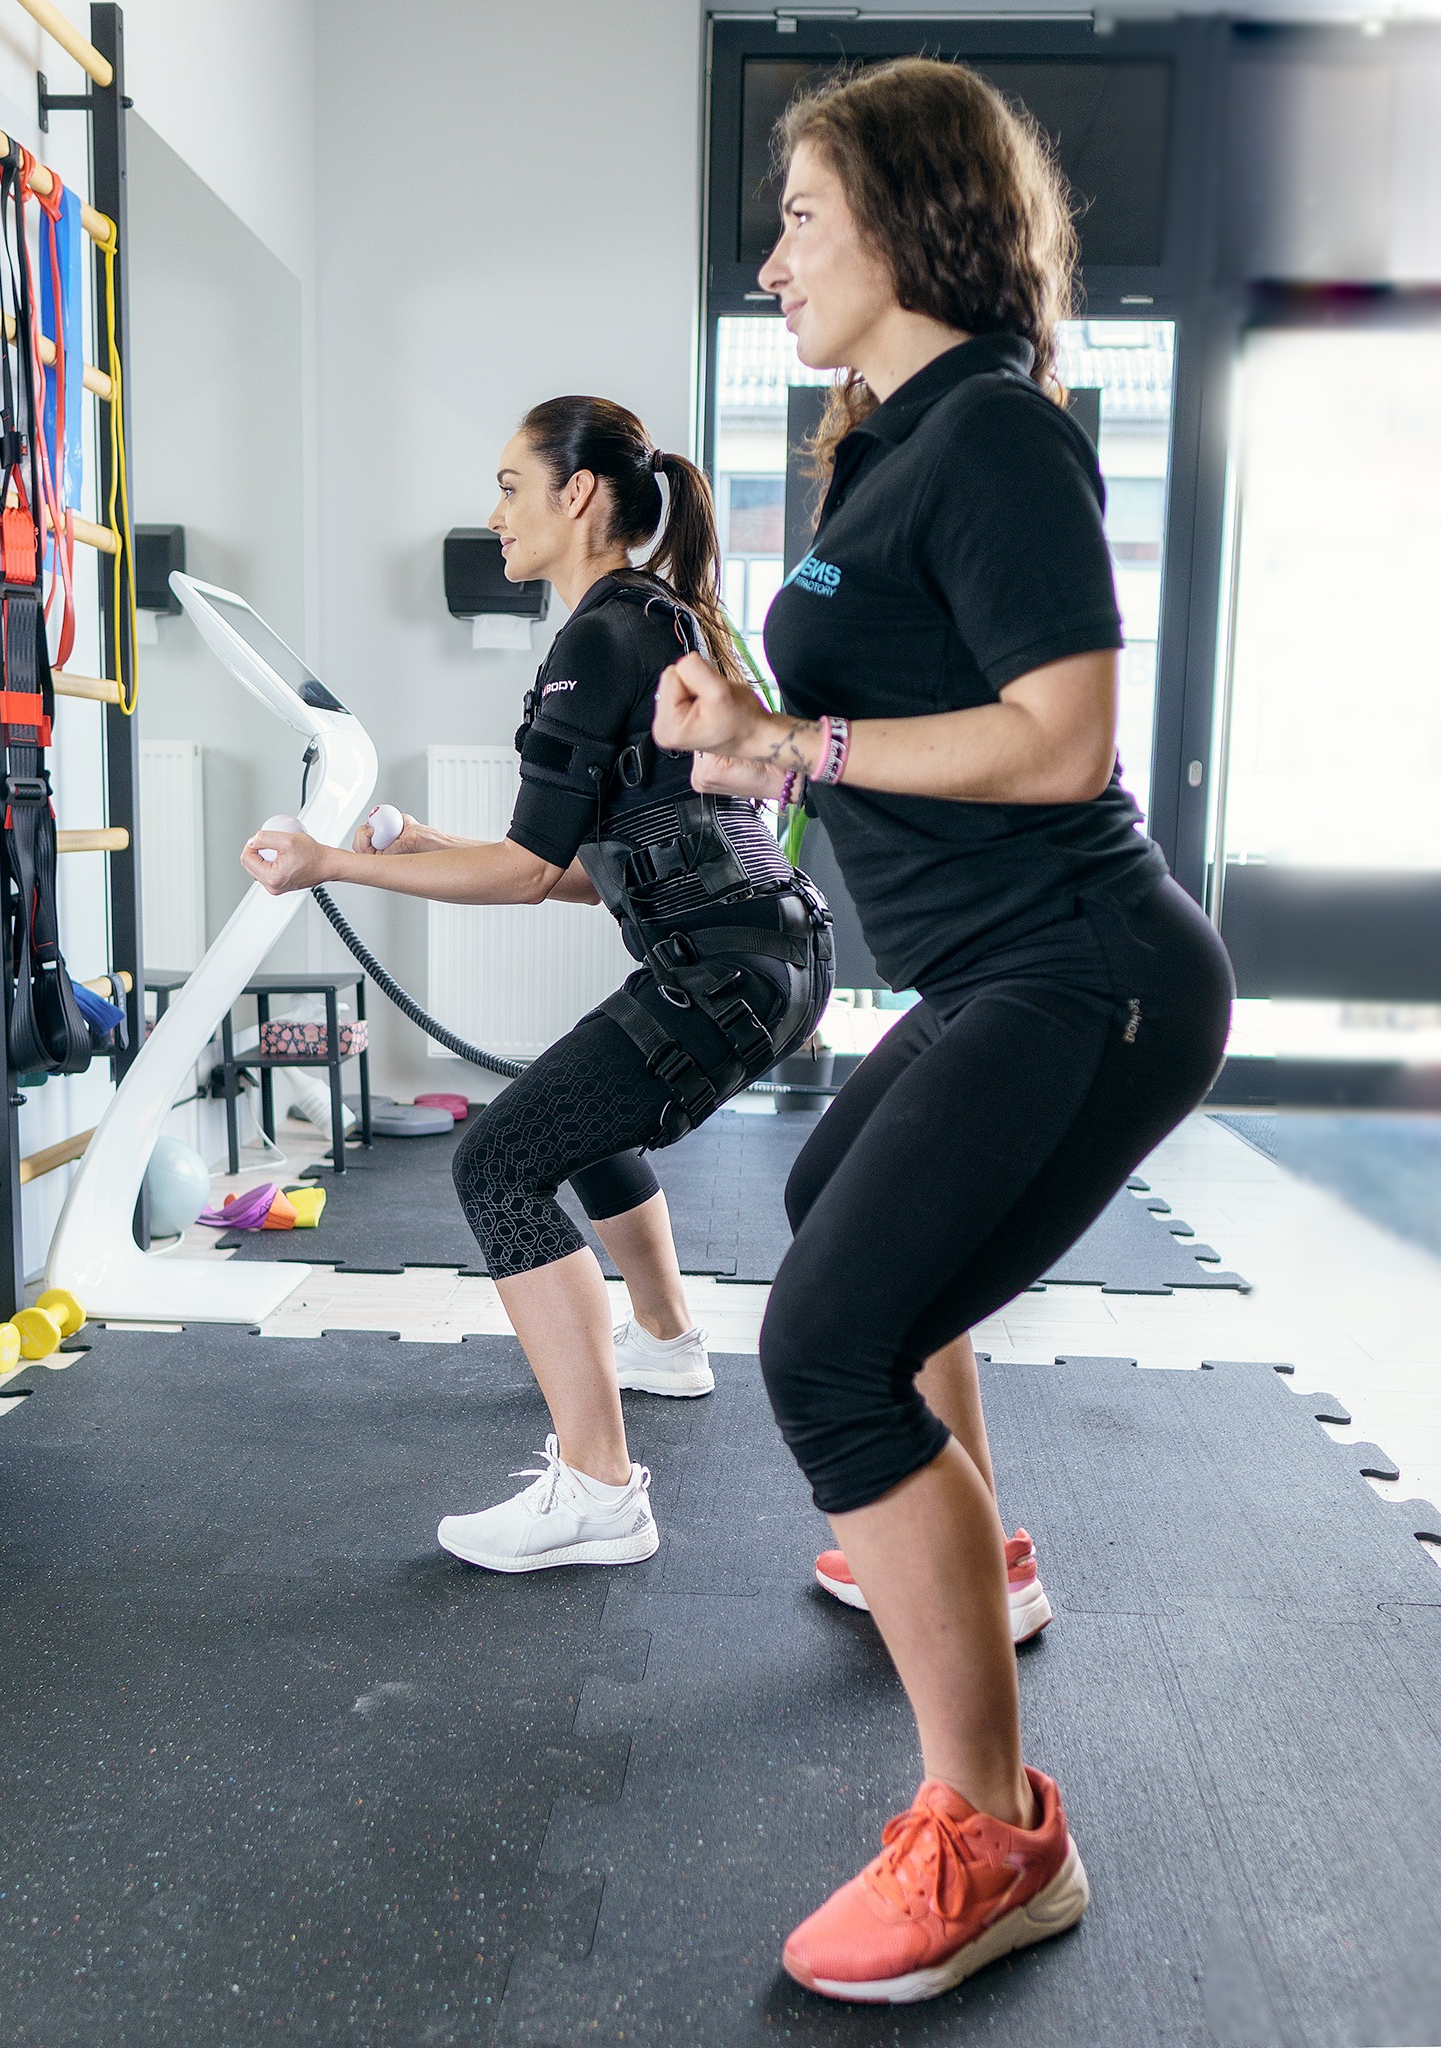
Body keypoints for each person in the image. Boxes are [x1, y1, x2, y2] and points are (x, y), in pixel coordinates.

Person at [651, 59, 1233, 2006]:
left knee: (824, 1347)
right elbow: (882, 699)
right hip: (1003, 971)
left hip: (1090, 965)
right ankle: (974, 1549)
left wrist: (796, 739)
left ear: (905, 220)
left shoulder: (992, 431)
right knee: (839, 1202)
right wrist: (746, 719)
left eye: (803, 215)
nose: (774, 256)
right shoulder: (879, 445)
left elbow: (1063, 742)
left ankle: (994, 1839)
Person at [244, 395, 832, 1576]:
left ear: (578, 496)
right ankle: (664, 1342)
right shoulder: (659, 619)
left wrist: (330, 860)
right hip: (766, 954)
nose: (495, 510)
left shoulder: (602, 636)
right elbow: (586, 871)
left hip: (729, 968)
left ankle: (602, 1491)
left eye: (513, 485)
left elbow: (523, 877)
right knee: (565, 1109)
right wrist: (412, 842)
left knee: (496, 1161)